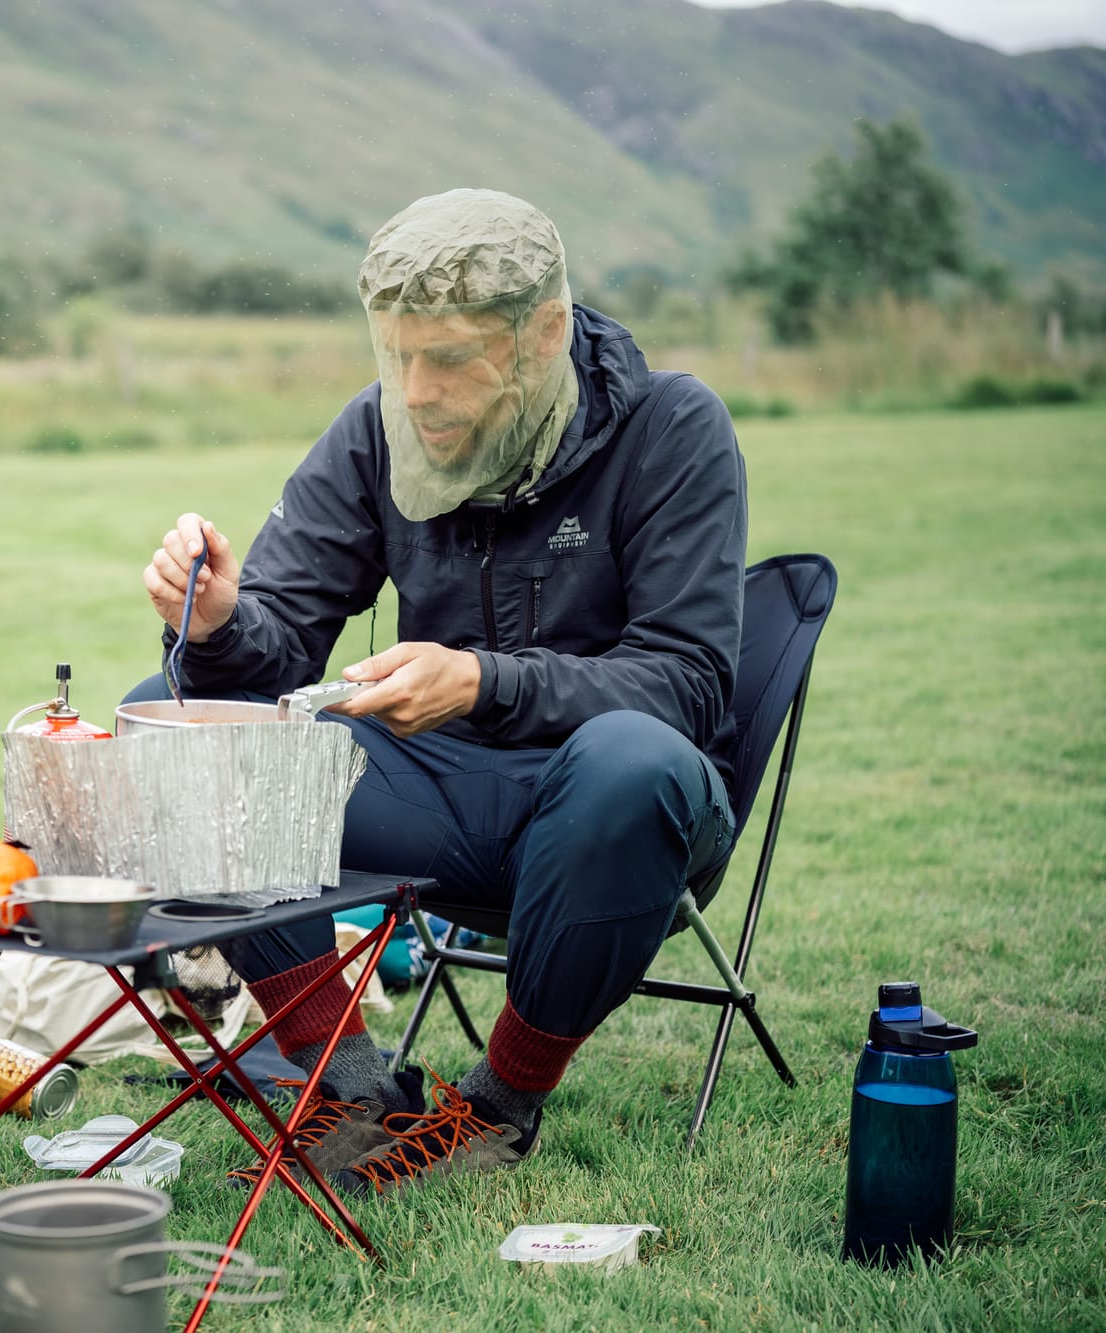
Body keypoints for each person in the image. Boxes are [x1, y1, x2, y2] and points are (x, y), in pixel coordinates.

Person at [136, 189, 745, 1195]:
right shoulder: (377, 429)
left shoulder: (672, 427)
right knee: (186, 731)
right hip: (436, 800)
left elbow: (686, 686)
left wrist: (481, 683)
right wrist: (216, 626)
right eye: (398, 355)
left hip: (621, 820)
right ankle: (347, 1084)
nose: (415, 392)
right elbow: (275, 651)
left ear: (543, 333)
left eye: (450, 359)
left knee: (628, 760)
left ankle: (496, 1108)